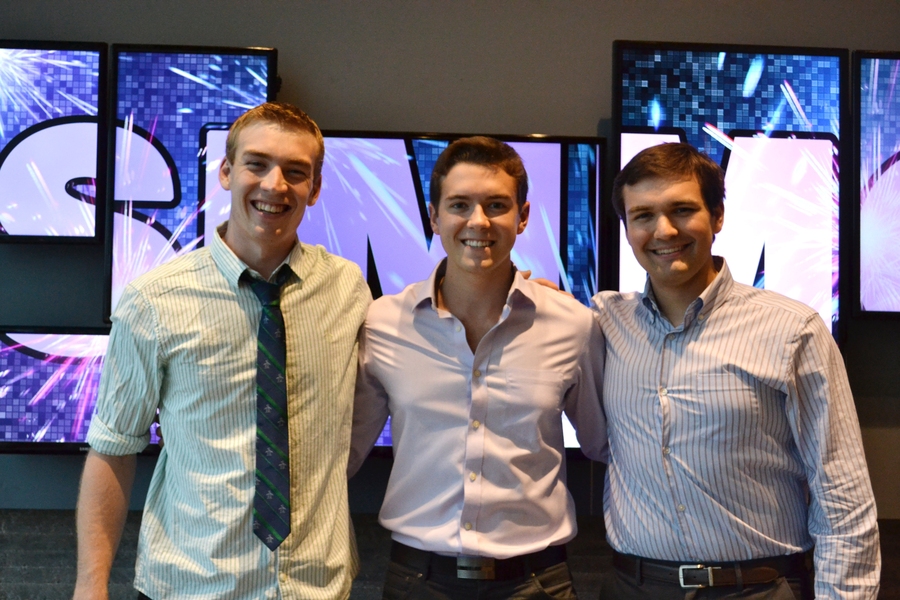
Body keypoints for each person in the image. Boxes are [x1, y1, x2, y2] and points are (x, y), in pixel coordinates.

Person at [73, 102, 371, 600]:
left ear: (314, 189)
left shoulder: (347, 288)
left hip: (315, 588)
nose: (275, 185)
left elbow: (428, 325)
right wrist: (90, 587)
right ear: (227, 173)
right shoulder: (153, 300)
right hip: (193, 586)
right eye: (257, 164)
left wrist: (517, 292)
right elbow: (112, 448)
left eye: (295, 172)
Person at [592, 142, 880, 599]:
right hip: (634, 586)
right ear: (626, 228)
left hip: (758, 588)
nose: (663, 230)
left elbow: (842, 499)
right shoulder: (605, 322)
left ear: (718, 216)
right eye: (642, 215)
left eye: (682, 210)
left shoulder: (793, 329)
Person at [349, 136, 607, 600]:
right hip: (416, 582)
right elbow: (342, 454)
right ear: (434, 216)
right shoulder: (385, 322)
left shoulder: (572, 325)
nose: (478, 221)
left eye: (496, 205)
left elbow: (603, 441)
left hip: (538, 583)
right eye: (460, 205)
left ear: (522, 216)